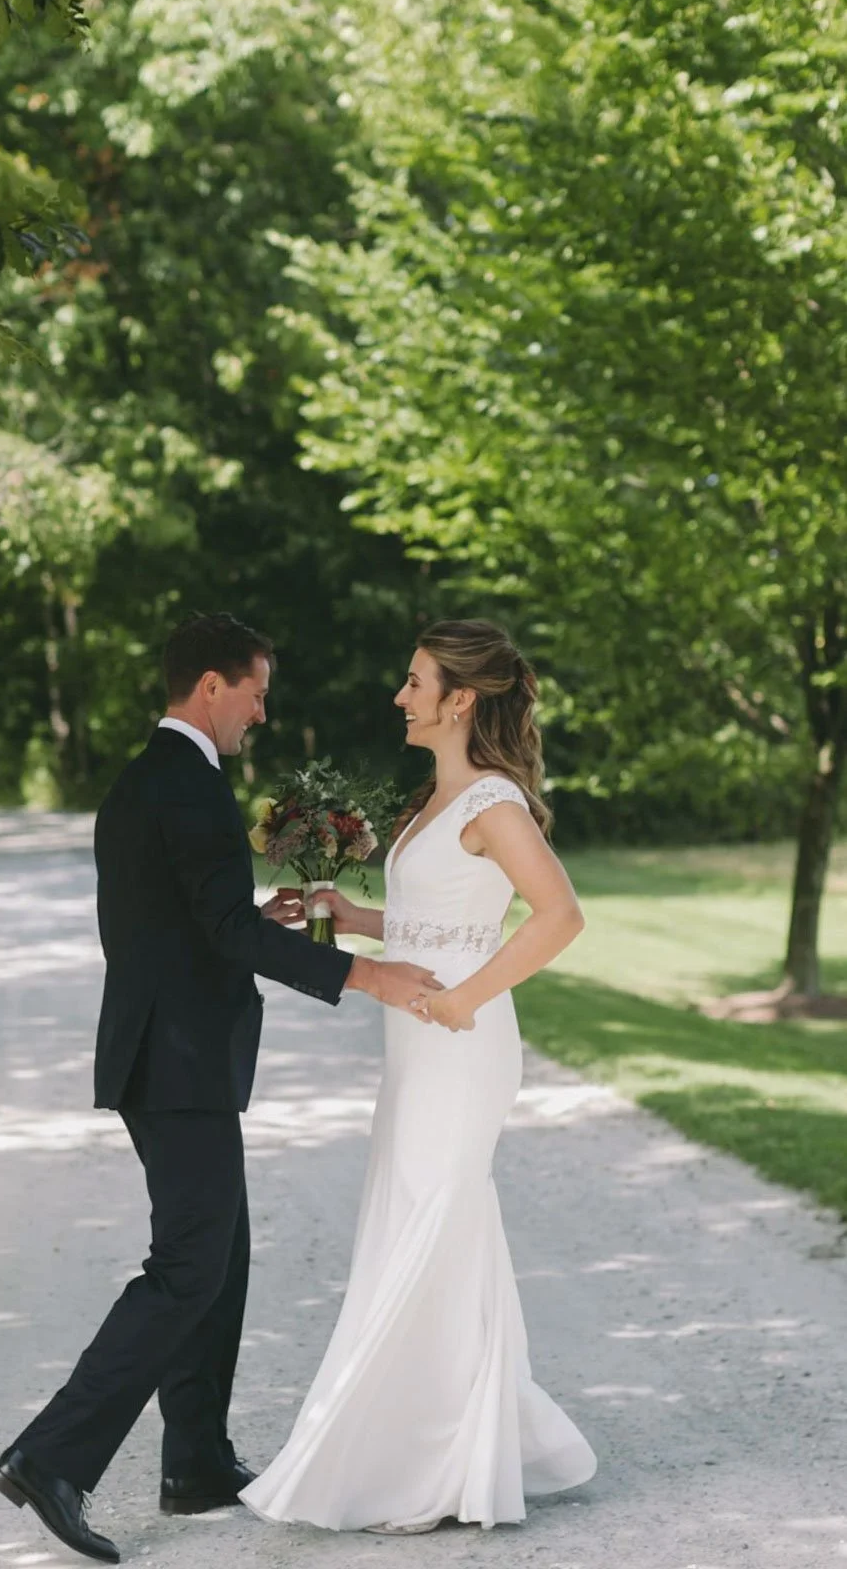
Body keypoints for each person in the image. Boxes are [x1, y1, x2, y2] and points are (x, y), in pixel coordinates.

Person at [0, 612, 443, 1565]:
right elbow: (221, 939)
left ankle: (194, 1461)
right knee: (190, 1263)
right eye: (256, 692)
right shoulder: (186, 784)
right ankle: (51, 1457)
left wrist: (251, 911)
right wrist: (368, 974)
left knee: (219, 1255)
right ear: (209, 686)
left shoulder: (157, 778)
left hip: (171, 1055)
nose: (262, 713)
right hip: (178, 1061)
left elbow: (191, 919)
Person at [240, 618, 598, 1534]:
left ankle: (418, 1459)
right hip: (414, 1047)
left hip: (461, 1044)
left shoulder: (492, 804)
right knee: (419, 1220)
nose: (400, 696)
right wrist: (346, 914)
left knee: (434, 1221)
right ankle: (451, 1443)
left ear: (460, 699)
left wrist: (466, 998)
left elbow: (557, 916)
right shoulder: (431, 803)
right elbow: (430, 923)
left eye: (414, 682)